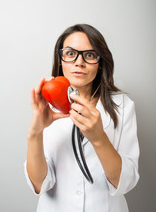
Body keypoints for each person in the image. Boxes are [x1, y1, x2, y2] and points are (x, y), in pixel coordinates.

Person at [24, 24, 140, 212]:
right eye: (70, 53)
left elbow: (125, 183)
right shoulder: (46, 105)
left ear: (100, 61)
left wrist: (99, 138)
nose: (79, 62)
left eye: (90, 55)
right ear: (60, 59)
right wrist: (35, 132)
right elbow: (39, 184)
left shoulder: (123, 106)